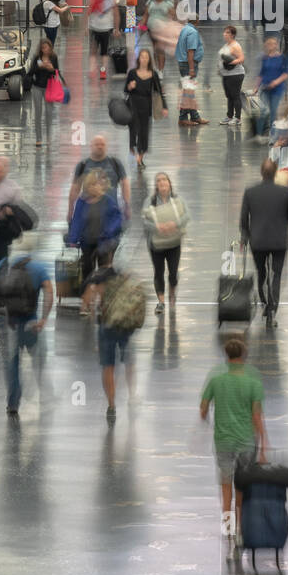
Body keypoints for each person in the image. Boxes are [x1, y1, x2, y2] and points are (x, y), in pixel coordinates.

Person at [0, 247, 53, 417]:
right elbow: (49, 291)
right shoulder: (38, 267)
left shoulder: (4, 265)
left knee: (12, 364)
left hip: (9, 324)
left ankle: (13, 403)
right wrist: (43, 318)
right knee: (38, 360)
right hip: (31, 323)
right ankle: (45, 396)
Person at [200, 336, 266, 545]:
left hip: (223, 440)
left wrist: (211, 420)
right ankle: (240, 529)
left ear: (227, 357)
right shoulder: (253, 382)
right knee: (242, 489)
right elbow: (257, 416)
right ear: (243, 357)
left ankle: (227, 529)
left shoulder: (216, 380)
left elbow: (203, 410)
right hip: (246, 441)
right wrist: (264, 444)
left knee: (226, 488)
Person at [239, 158, 288, 324]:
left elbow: (244, 218)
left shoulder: (250, 192)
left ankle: (265, 302)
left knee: (262, 273)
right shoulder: (284, 192)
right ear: (275, 173)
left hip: (257, 241)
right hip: (279, 240)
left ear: (261, 173)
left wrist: (244, 236)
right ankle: (272, 309)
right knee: (276, 274)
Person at [67, 171, 123, 318]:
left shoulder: (108, 201)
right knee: (87, 273)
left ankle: (103, 304)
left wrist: (108, 232)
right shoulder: (82, 201)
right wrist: (73, 239)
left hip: (104, 244)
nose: (97, 187)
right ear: (88, 186)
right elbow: (77, 220)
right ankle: (85, 304)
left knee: (104, 273)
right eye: (93, 184)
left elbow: (117, 219)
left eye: (98, 184)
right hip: (87, 243)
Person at [142, 172, 190, 315]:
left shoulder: (178, 200)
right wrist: (157, 227)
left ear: (169, 183)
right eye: (159, 180)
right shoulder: (149, 202)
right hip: (155, 245)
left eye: (164, 179)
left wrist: (175, 224)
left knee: (173, 273)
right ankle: (161, 302)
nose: (162, 182)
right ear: (156, 185)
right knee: (159, 272)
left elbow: (187, 215)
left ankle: (172, 292)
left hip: (174, 243)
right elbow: (144, 221)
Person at [98, 267, 140, 423]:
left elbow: (92, 300)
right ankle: (132, 396)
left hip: (107, 328)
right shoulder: (131, 284)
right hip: (126, 329)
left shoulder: (103, 279)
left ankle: (111, 405)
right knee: (129, 362)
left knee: (108, 367)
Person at [67, 135, 131, 224]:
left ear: (106, 146)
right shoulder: (83, 165)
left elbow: (125, 184)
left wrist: (127, 205)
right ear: (91, 146)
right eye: (97, 144)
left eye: (102, 144)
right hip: (88, 215)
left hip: (110, 213)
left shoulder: (115, 163)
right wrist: (70, 210)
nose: (100, 147)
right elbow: (75, 188)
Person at [124, 48, 167, 170]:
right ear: (139, 59)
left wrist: (164, 106)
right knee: (134, 130)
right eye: (142, 57)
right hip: (133, 104)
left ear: (149, 60)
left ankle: (140, 157)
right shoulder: (132, 73)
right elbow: (125, 90)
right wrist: (130, 86)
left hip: (146, 105)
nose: (144, 59)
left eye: (146, 57)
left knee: (144, 132)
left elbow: (159, 91)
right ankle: (134, 151)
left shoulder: (153, 74)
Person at [30, 37, 65, 147]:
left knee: (49, 113)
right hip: (37, 87)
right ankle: (38, 138)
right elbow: (31, 71)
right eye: (43, 48)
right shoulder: (37, 58)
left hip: (49, 87)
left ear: (50, 48)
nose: (45, 50)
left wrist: (51, 69)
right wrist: (39, 66)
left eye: (47, 47)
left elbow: (57, 72)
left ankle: (49, 137)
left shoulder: (54, 57)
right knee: (38, 113)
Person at [174, 18, 209, 125]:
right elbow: (190, 51)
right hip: (188, 65)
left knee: (190, 91)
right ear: (197, 21)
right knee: (188, 92)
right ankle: (183, 117)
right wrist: (192, 68)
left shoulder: (185, 28)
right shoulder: (192, 32)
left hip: (183, 63)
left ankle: (194, 116)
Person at [254, 36, 288, 132]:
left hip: (277, 90)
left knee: (273, 113)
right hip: (265, 88)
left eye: (273, 44)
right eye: (269, 44)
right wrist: (256, 87)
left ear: (276, 45)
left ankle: (272, 134)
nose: (271, 46)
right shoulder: (264, 58)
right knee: (263, 111)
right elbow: (261, 74)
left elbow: (285, 74)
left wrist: (276, 82)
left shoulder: (282, 58)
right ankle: (259, 133)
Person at [88, 0, 118, 81]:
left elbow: (116, 15)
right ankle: (92, 69)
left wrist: (116, 28)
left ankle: (103, 70)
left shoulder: (111, 1)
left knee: (104, 52)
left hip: (106, 30)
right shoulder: (93, 0)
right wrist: (85, 27)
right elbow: (87, 13)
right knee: (93, 50)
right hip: (94, 29)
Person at [218, 25, 245, 126]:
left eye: (228, 32)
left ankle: (237, 118)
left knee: (235, 96)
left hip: (235, 74)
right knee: (229, 96)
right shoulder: (227, 45)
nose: (225, 34)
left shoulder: (235, 46)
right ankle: (229, 116)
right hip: (226, 75)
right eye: (224, 32)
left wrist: (231, 63)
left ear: (233, 35)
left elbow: (241, 59)